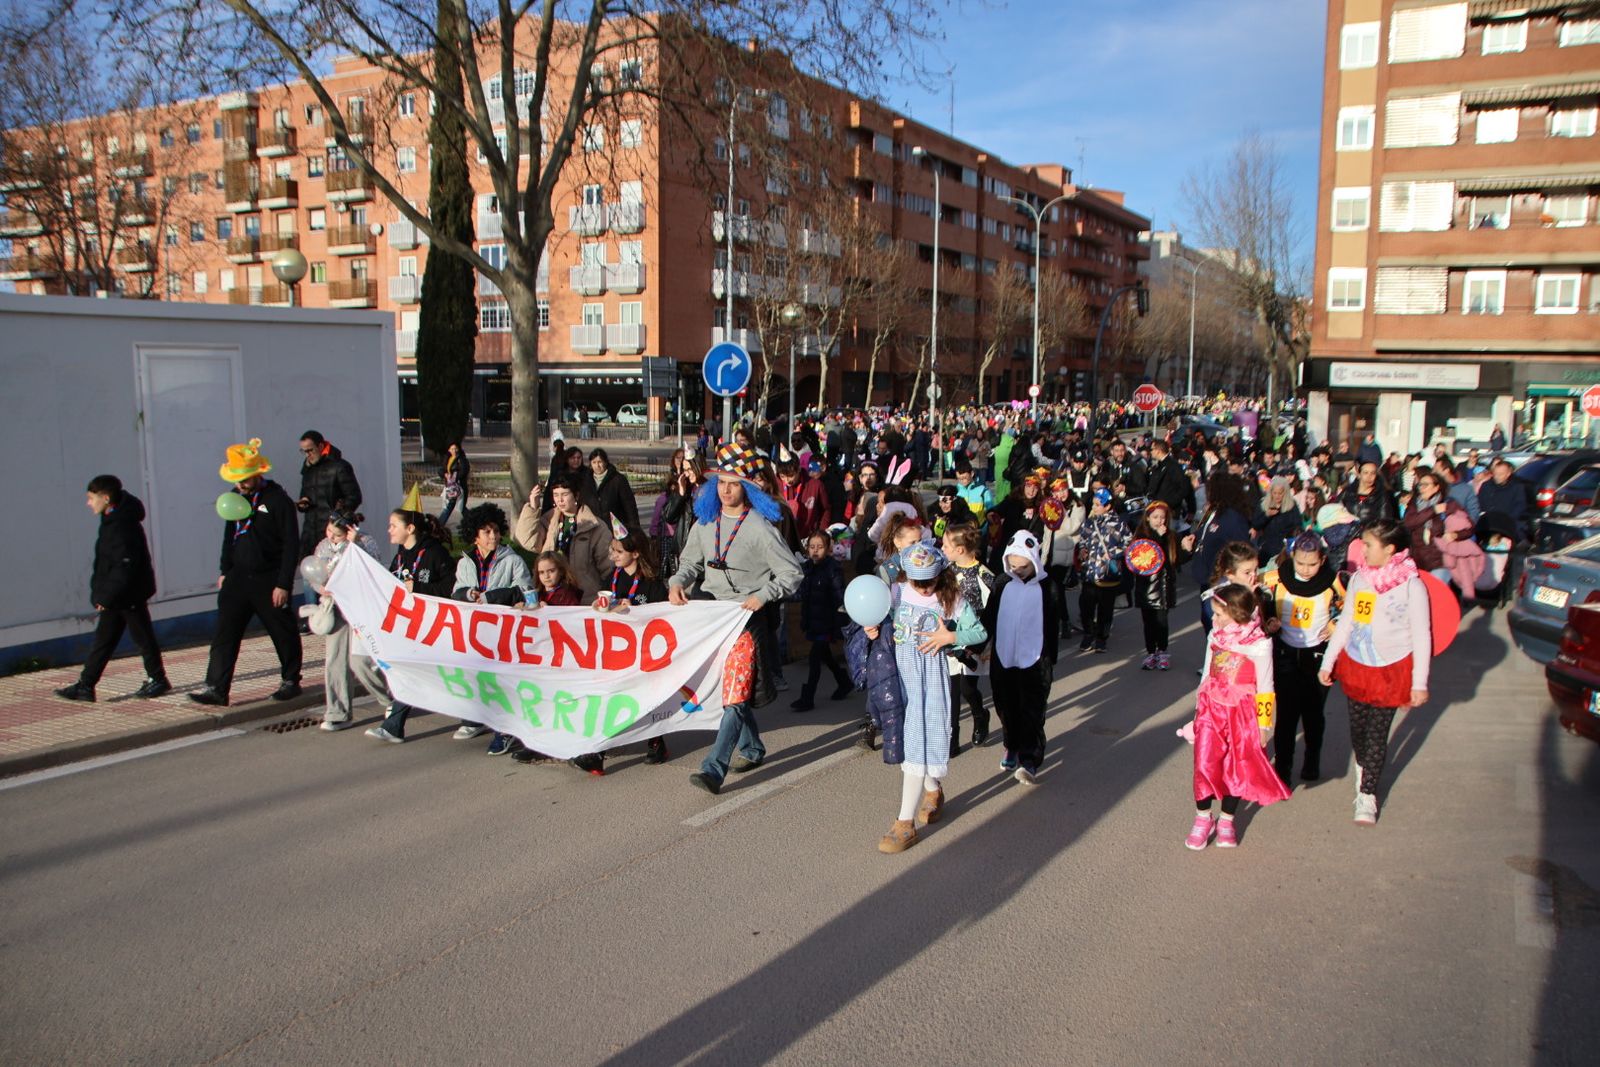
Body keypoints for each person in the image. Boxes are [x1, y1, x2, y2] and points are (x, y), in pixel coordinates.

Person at [669, 443, 803, 797]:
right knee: (726, 691)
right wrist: (677, 582)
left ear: (748, 489)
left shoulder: (760, 527)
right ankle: (753, 748)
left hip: (746, 621)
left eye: (734, 484)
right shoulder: (705, 522)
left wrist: (763, 595)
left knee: (734, 695)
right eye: (721, 483)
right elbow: (689, 563)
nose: (726, 490)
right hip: (711, 619)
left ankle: (713, 768)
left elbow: (792, 573)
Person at [862, 543, 987, 853]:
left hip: (929, 682)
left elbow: (979, 632)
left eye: (928, 580)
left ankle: (904, 823)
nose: (922, 586)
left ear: (940, 574)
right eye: (917, 580)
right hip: (899, 678)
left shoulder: (950, 598)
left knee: (917, 744)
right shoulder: (897, 592)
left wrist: (951, 636)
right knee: (909, 742)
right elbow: (880, 621)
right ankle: (933, 789)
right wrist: (872, 629)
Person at [1319, 519, 1432, 826]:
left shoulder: (1412, 586)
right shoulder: (1360, 579)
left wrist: (1419, 682)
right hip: (1357, 664)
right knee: (1358, 730)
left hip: (1391, 668)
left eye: (1368, 545)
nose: (1362, 550)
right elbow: (1346, 622)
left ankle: (1367, 795)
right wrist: (1328, 662)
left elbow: (1422, 635)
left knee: (1377, 734)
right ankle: (1363, 768)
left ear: (1390, 549)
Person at [190, 438, 303, 707]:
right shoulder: (235, 498)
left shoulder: (278, 500)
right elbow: (228, 537)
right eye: (237, 480)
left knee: (282, 631)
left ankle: (290, 680)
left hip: (269, 578)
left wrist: (283, 583)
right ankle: (216, 688)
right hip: (238, 577)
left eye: (245, 479)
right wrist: (225, 570)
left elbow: (291, 544)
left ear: (257, 474)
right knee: (225, 633)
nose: (241, 484)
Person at [1182, 582, 1291, 850]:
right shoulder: (1215, 637)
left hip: (1242, 715)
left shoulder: (1259, 644)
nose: (1214, 619)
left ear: (1238, 614)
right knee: (1204, 763)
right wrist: (1198, 711)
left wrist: (1264, 726)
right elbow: (1206, 674)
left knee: (1236, 767)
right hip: (1211, 710)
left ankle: (1227, 820)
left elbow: (1266, 687)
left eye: (1219, 614)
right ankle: (1202, 818)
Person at [56, 474, 168, 703]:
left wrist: (106, 596)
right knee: (104, 640)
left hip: (128, 593)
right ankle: (86, 685)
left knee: (142, 637)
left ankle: (157, 679)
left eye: (91, 498)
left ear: (105, 498)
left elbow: (124, 565)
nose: (88, 503)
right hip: (119, 594)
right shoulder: (112, 519)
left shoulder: (121, 525)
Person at [571, 528, 672, 773]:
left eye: (618, 551)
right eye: (611, 550)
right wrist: (600, 606)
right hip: (616, 650)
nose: (612, 555)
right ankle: (597, 753)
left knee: (646, 699)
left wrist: (634, 609)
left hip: (644, 652)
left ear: (635, 553)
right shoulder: (612, 578)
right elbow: (604, 605)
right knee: (610, 698)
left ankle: (656, 742)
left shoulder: (652, 582)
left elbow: (662, 614)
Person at [365, 509, 455, 744]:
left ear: (410, 528)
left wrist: (419, 589)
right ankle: (394, 726)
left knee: (443, 675)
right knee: (409, 672)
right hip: (409, 626)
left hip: (434, 627)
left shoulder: (435, 553)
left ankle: (476, 720)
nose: (389, 530)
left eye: (393, 525)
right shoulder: (400, 556)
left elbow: (451, 588)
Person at [452, 504, 536, 756]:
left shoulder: (513, 560)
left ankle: (505, 731)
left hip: (504, 630)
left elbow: (524, 590)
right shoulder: (465, 562)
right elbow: (456, 591)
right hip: (475, 630)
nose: (493, 536)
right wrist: (468, 593)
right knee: (476, 676)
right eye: (486, 532)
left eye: (496, 531)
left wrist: (492, 597)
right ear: (475, 536)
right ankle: (476, 718)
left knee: (503, 680)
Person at [1261, 532, 1343, 785]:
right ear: (1292, 557)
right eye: (1300, 563)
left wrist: (1336, 624)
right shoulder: (1275, 579)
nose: (1306, 569)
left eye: (1312, 564)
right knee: (1286, 716)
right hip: (1285, 653)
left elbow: (1353, 610)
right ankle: (1282, 771)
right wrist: (1269, 623)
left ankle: (1311, 760)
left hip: (1317, 655)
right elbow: (1259, 608)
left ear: (1322, 560)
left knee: (1313, 714)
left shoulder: (1334, 582)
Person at [982, 531, 1056, 784]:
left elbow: (1053, 621)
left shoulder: (1047, 586)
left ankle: (1029, 760)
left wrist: (1051, 658)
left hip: (1035, 659)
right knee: (1006, 706)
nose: (1017, 571)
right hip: (1004, 657)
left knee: (1032, 710)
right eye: (1012, 566)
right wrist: (976, 645)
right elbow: (989, 616)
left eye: (1023, 567)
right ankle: (1011, 745)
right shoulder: (1002, 583)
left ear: (1034, 561)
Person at [310, 511, 384, 731]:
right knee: (335, 660)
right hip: (335, 608)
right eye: (329, 531)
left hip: (360, 607)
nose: (331, 537)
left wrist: (355, 544)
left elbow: (373, 569)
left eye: (337, 534)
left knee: (361, 661)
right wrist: (320, 588)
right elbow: (314, 573)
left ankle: (390, 698)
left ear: (350, 530)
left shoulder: (365, 542)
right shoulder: (323, 546)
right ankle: (338, 712)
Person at [942, 522, 996, 752]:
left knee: (967, 688)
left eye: (946, 546)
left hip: (973, 640)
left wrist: (980, 645)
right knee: (952, 689)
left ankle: (979, 714)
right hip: (950, 636)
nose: (942, 549)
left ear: (960, 549)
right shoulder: (946, 571)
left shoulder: (984, 576)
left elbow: (991, 613)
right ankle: (952, 739)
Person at [515, 476, 612, 599]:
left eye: (565, 494)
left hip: (584, 596)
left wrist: (609, 594)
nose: (560, 500)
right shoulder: (549, 520)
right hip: (550, 596)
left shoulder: (594, 525)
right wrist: (533, 508)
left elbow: (608, 564)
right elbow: (527, 540)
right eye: (556, 495)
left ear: (576, 495)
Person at [791, 530, 855, 713]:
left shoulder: (833, 569)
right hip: (813, 619)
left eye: (819, 547)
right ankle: (844, 682)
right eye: (812, 547)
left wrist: (840, 621)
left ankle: (807, 697)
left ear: (828, 549)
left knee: (814, 658)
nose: (815, 550)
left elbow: (839, 596)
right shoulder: (807, 568)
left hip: (828, 621)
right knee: (825, 655)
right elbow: (801, 593)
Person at [1132, 500, 1191, 671]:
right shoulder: (1141, 536)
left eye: (1163, 517)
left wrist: (1187, 549)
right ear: (1147, 518)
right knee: (1148, 622)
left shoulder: (1171, 536)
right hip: (1146, 586)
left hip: (1164, 586)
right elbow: (1147, 555)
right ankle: (1151, 652)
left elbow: (1177, 560)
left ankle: (1163, 652)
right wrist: (1157, 536)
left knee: (1162, 621)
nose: (1160, 521)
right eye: (1155, 517)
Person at [295, 430, 363, 560]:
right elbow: (305, 493)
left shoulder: (340, 466)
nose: (307, 455)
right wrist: (303, 502)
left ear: (320, 446)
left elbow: (354, 497)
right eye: (303, 451)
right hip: (310, 532)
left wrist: (338, 517)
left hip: (333, 532)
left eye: (310, 450)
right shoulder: (308, 468)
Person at [1077, 488, 1129, 654]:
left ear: (1108, 506)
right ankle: (1088, 633)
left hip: (1108, 573)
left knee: (1105, 609)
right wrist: (1082, 550)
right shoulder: (1089, 522)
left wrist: (1113, 554)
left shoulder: (1119, 524)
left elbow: (1129, 545)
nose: (1094, 507)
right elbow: (1082, 540)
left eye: (1098, 505)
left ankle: (1101, 638)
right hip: (1090, 572)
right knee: (1085, 606)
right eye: (1093, 504)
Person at [776, 454, 832, 541]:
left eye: (791, 475)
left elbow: (826, 509)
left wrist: (821, 532)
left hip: (808, 538)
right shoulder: (776, 485)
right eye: (782, 476)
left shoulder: (815, 485)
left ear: (799, 469)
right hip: (783, 538)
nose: (787, 480)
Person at [588, 447, 640, 532]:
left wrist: (634, 528)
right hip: (593, 528)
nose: (597, 466)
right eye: (594, 462)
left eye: (600, 462)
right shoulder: (586, 480)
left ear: (605, 462)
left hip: (615, 529)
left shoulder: (618, 479)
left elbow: (629, 505)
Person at [1252, 476, 1301, 563]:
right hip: (1267, 547)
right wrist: (1267, 515)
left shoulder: (1292, 505)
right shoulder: (1263, 504)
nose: (1277, 496)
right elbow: (1255, 525)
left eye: (1280, 493)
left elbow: (1298, 525)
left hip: (1285, 547)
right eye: (1274, 493)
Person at [1143, 439, 1194, 519]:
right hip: (1156, 509)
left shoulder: (1173, 466)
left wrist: (1170, 502)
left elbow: (1184, 488)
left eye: (1152, 449)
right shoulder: (1157, 466)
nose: (1150, 452)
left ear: (1158, 450)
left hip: (1169, 511)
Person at [1339, 461, 1397, 528]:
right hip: (1346, 531)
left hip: (1369, 532)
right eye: (1365, 473)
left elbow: (1384, 522)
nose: (1369, 477)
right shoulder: (1348, 492)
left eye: (1373, 473)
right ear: (1359, 475)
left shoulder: (1382, 495)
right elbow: (1334, 510)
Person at [438, 442, 471, 529]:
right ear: (449, 450)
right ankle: (472, 521)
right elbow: (441, 469)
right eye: (452, 449)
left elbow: (464, 471)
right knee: (457, 507)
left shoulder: (462, 459)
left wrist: (454, 477)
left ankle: (439, 524)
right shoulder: (447, 459)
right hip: (450, 487)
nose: (454, 451)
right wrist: (444, 474)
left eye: (456, 448)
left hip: (459, 487)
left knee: (454, 507)